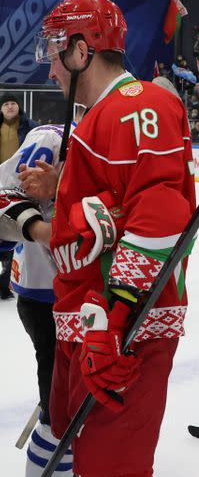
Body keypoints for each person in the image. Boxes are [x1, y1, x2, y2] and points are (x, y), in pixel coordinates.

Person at [27, 0, 196, 476]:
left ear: (82, 51)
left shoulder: (140, 104)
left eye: (57, 54)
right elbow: (112, 207)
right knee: (71, 440)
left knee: (110, 466)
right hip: (88, 320)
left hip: (120, 331)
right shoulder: (99, 116)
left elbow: (160, 212)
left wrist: (117, 319)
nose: (50, 70)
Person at [0, 124, 70, 476]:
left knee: (71, 395)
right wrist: (39, 228)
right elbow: (6, 189)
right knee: (61, 406)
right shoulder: (52, 137)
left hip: (77, 288)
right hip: (46, 288)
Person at [0, 93, 37, 299]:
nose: (10, 106)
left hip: (19, 182)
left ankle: (6, 279)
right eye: (6, 104)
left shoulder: (31, 127)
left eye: (13, 103)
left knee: (17, 228)